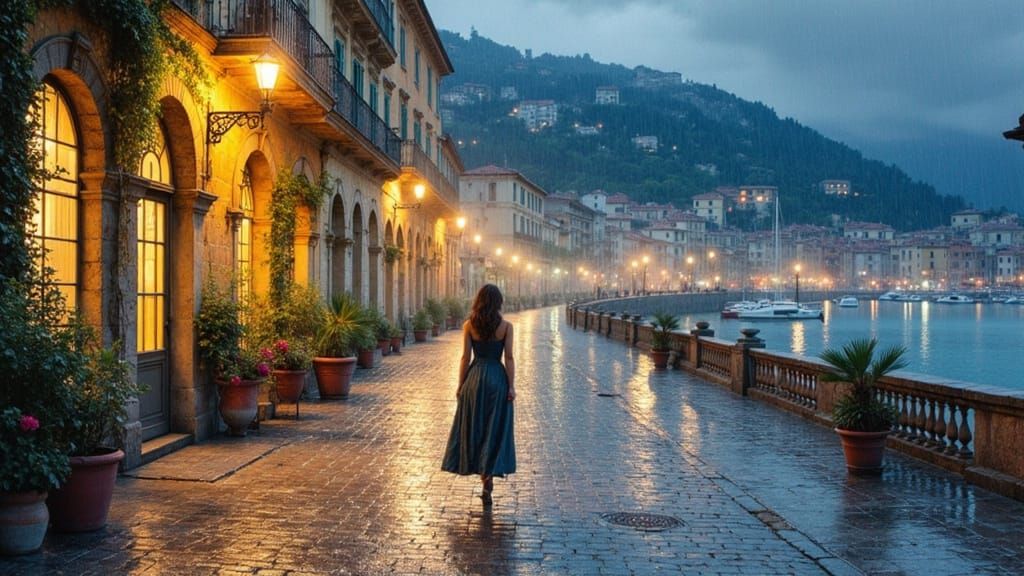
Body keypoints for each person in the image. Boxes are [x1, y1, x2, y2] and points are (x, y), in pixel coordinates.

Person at [441, 284, 516, 506]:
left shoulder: (468, 325)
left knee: (476, 427)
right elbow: (509, 358)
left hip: (475, 379)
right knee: (494, 429)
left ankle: (481, 472)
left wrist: (460, 385)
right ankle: (488, 477)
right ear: (498, 302)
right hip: (497, 379)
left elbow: (465, 357)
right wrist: (511, 387)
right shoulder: (506, 327)